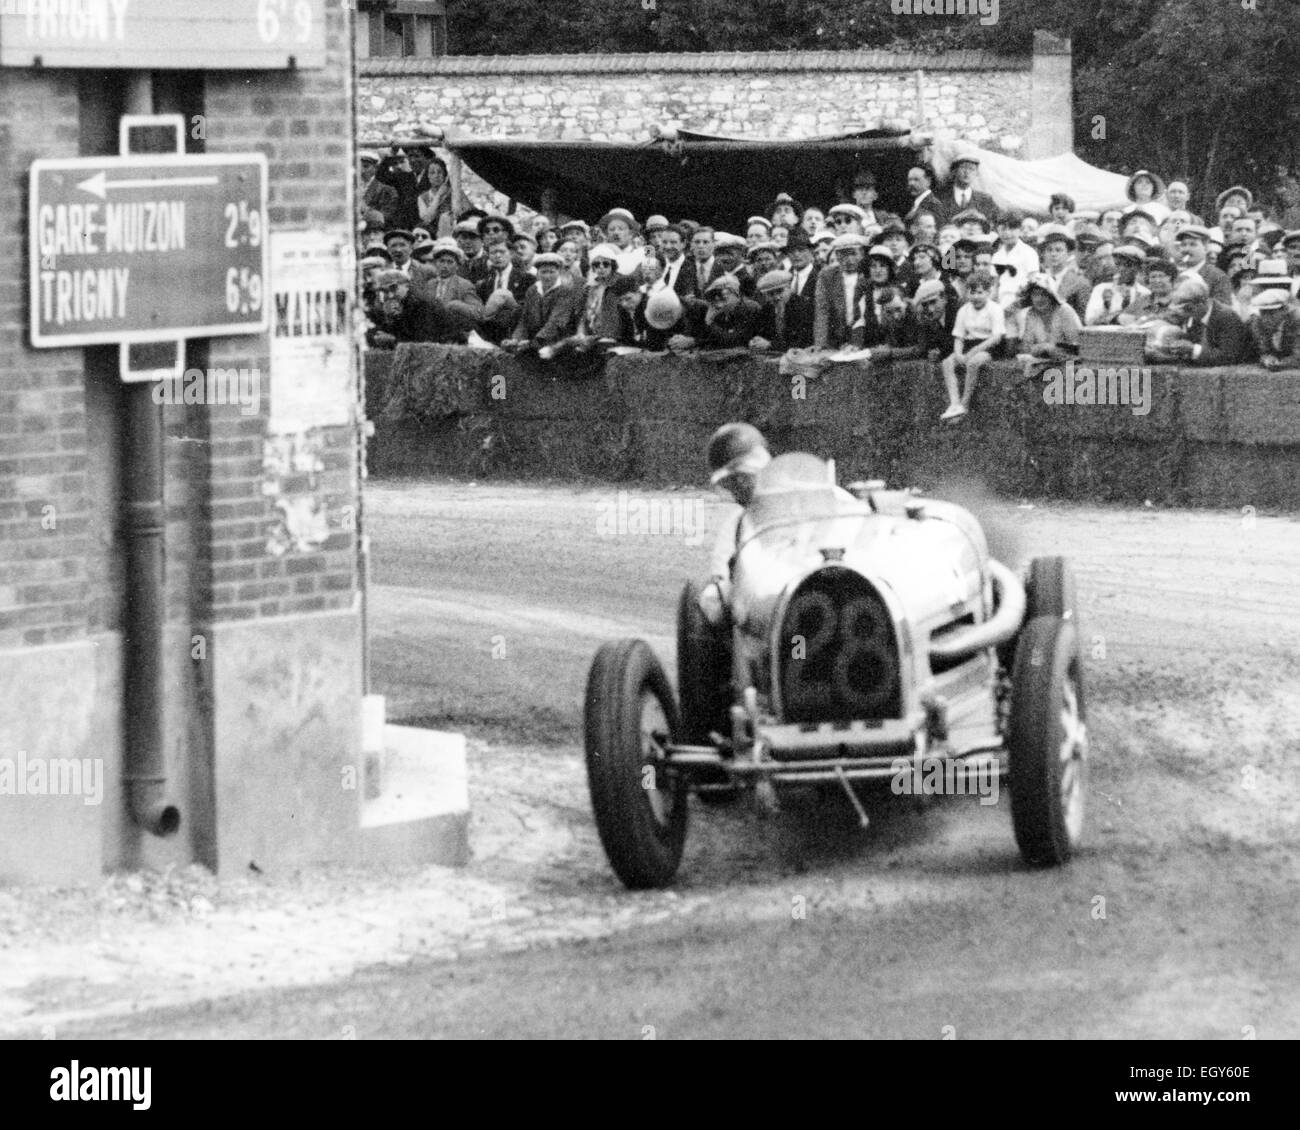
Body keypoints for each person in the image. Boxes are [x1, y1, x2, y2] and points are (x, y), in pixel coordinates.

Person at [698, 423, 773, 628]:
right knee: (712, 600)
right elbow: (718, 597)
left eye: (745, 477)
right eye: (733, 482)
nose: (741, 487)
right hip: (764, 614)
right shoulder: (735, 526)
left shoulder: (818, 497)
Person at [940, 270, 1005, 422]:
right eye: (972, 292)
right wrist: (958, 354)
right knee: (947, 362)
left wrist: (972, 352)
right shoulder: (963, 310)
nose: (975, 297)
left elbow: (996, 338)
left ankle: (965, 403)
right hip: (970, 343)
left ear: (988, 292)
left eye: (980, 292)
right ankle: (954, 403)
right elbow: (959, 336)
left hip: (989, 345)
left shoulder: (995, 309)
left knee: (973, 363)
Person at [1154, 275, 1255, 366]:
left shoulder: (1227, 317)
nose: (1185, 313)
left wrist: (1192, 349)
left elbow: (1228, 356)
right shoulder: (1194, 316)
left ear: (1201, 303)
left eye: (1188, 308)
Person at [503, 252, 581, 353]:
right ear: (537, 273)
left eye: (552, 272)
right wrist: (515, 339)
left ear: (559, 272)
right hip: (534, 340)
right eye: (543, 272)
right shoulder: (533, 290)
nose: (547, 276)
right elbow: (525, 319)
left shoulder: (565, 291)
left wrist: (531, 343)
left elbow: (555, 323)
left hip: (557, 342)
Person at [813, 233, 868, 350]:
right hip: (837, 337)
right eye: (843, 254)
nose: (849, 259)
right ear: (837, 255)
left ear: (862, 254)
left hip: (865, 336)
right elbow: (822, 311)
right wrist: (820, 344)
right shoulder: (827, 275)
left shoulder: (868, 274)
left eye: (853, 253)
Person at [476, 240, 535, 344]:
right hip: (493, 325)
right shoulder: (485, 282)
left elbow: (528, 305)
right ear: (488, 256)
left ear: (511, 254)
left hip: (516, 319)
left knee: (501, 294)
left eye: (502, 252)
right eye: (493, 253)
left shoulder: (527, 278)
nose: (498, 256)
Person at [423, 240, 484, 341]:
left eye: (450, 262)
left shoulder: (464, 285)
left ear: (457, 266)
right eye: (441, 261)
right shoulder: (430, 284)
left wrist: (456, 305)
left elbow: (478, 313)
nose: (445, 266)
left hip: (455, 333)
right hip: (432, 332)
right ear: (435, 263)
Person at [1015, 273, 1082, 363]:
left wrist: (1050, 348)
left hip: (1070, 365)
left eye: (1043, 294)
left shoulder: (1065, 311)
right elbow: (1026, 347)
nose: (1039, 299)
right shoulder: (1031, 313)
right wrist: (1038, 349)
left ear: (1052, 296)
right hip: (1043, 365)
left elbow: (1077, 346)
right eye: (1035, 295)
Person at [1084, 244, 1151, 326]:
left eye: (1128, 265)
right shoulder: (1101, 289)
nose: (1122, 269)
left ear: (1138, 268)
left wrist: (1127, 304)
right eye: (1118, 264)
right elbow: (1089, 320)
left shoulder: (1144, 293)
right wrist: (1106, 306)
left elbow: (1141, 322)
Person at [1036, 224, 1091, 319]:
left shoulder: (1080, 283)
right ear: (1044, 253)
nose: (1053, 254)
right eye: (1049, 250)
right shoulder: (1039, 281)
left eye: (1059, 250)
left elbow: (1083, 318)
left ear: (1069, 253)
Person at [991, 210, 1040, 309]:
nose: (1007, 233)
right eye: (1003, 229)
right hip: (1001, 304)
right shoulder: (997, 256)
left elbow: (1033, 283)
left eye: (1012, 228)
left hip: (1022, 305)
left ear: (1020, 230)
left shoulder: (1029, 253)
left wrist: (1016, 304)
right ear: (998, 230)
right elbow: (996, 285)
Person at [1174, 225, 1233, 305]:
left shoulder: (1218, 277)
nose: (1187, 249)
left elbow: (1222, 309)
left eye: (1193, 244)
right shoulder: (1175, 273)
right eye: (1184, 245)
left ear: (1205, 248)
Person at [935, 155, 999, 225]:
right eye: (963, 167)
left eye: (971, 169)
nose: (967, 172)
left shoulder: (985, 200)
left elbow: (995, 223)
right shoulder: (940, 197)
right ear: (955, 171)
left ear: (976, 174)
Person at [1247, 288, 1300, 370]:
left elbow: (1298, 355)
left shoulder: (1296, 321)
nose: (1266, 318)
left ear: (1284, 310)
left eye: (1271, 313)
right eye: (1263, 312)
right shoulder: (1258, 322)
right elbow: (1262, 350)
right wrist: (1267, 359)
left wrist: (1282, 363)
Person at [358, 150, 399, 236]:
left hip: (374, 235)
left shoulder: (388, 191)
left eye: (366, 166)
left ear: (376, 168)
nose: (361, 171)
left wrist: (365, 208)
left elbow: (386, 218)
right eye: (357, 167)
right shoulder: (348, 190)